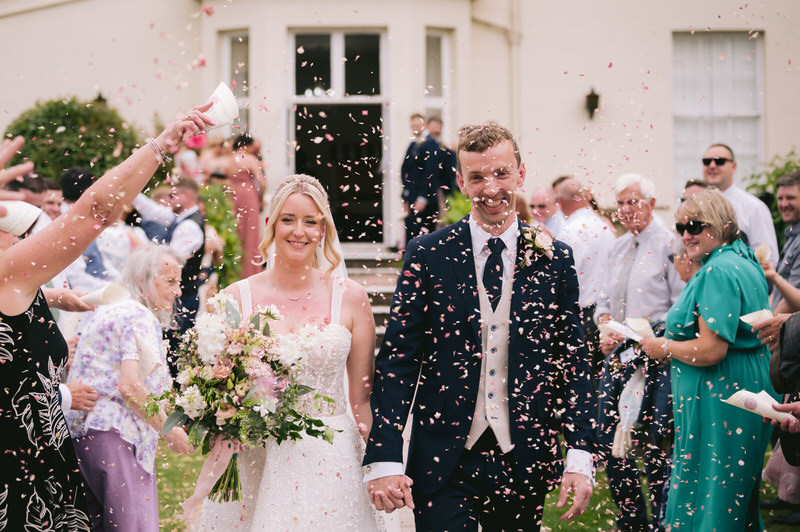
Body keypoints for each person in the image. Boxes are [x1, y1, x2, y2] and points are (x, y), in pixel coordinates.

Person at [364, 122, 595, 530]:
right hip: (442, 461)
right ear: (460, 181)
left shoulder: (554, 259)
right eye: (477, 177)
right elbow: (399, 361)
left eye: (502, 174)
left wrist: (579, 455)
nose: (491, 188)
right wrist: (384, 454)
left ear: (520, 174)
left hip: (524, 457)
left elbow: (572, 363)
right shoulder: (428, 254)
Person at [0, 105, 211, 529]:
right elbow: (94, 211)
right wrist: (160, 146)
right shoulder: (8, 278)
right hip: (22, 474)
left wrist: (57, 298)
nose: (25, 237)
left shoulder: (25, 290)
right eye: (11, 224)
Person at [198, 174, 390, 530]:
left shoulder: (350, 297)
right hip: (257, 458)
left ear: (323, 230)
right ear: (271, 223)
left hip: (331, 460)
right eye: (288, 219)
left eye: (310, 221)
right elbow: (216, 390)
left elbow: (362, 401)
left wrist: (383, 465)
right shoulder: (233, 300)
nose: (298, 231)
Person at [640, 188, 777, 530]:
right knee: (736, 493)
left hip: (722, 394)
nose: (686, 235)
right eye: (681, 227)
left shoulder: (717, 272)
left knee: (711, 494)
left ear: (718, 224)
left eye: (695, 226)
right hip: (747, 387)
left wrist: (664, 347)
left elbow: (712, 349)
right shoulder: (744, 259)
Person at [65, 245, 194, 530]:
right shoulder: (139, 316)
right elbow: (130, 386)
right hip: (117, 439)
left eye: (179, 282)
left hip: (84, 436)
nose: (177, 292)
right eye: (170, 281)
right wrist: (170, 430)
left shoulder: (111, 310)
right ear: (142, 281)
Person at [594, 173, 683, 532]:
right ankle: (631, 518)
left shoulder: (669, 243)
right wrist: (604, 324)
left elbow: (680, 303)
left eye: (634, 202)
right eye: (621, 203)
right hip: (619, 354)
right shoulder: (616, 246)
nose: (627, 209)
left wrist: (656, 337)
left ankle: (662, 520)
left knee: (656, 437)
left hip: (657, 353)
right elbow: (602, 301)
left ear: (650, 202)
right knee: (607, 434)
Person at [556, 176, 616, 381]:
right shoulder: (606, 227)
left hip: (580, 315)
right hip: (605, 315)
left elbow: (563, 280)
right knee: (602, 379)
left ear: (561, 203)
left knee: (580, 381)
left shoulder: (569, 231)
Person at [702, 143, 778, 264]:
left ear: (733, 166)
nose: (712, 165)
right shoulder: (697, 206)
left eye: (719, 161)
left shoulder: (754, 207)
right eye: (706, 161)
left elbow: (768, 259)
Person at [230, 133, 267, 278]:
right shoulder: (250, 159)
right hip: (248, 196)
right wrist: (260, 199)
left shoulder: (228, 160)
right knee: (251, 234)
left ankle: (234, 271)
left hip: (232, 196)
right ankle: (250, 272)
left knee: (235, 232)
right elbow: (262, 183)